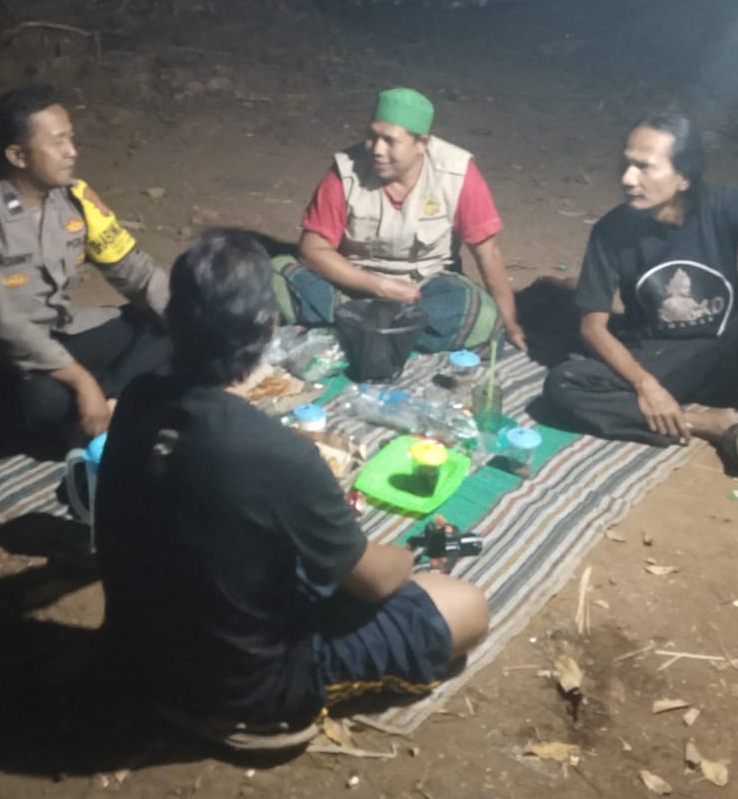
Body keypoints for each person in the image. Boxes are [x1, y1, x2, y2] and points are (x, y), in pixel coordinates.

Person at [97, 229, 488, 741]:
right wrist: (407, 556)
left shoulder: (139, 396)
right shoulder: (277, 453)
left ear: (173, 319)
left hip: (134, 650)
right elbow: (374, 581)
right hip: (241, 690)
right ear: (268, 327)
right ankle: (257, 716)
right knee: (465, 607)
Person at [534, 112, 738, 524]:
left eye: (644, 167)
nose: (627, 178)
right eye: (626, 164)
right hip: (659, 365)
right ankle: (709, 424)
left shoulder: (729, 206)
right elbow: (592, 326)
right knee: (563, 383)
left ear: (684, 177)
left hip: (727, 355)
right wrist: (646, 385)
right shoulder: (610, 231)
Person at [0, 84, 170, 450]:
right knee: (43, 399)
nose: (72, 151)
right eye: (58, 142)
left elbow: (137, 272)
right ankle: (96, 407)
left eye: (70, 139)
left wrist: (204, 325)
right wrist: (80, 380)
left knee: (171, 326)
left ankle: (107, 406)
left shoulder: (76, 200)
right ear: (18, 155)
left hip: (58, 334)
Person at [272, 87, 527, 355]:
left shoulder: (457, 173)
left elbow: (488, 252)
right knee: (277, 275)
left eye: (389, 141)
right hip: (352, 289)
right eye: (372, 136)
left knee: (482, 316)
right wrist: (378, 286)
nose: (377, 149)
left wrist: (509, 325)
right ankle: (392, 339)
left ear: (421, 143)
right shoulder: (345, 171)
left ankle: (351, 336)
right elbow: (312, 250)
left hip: (422, 292)